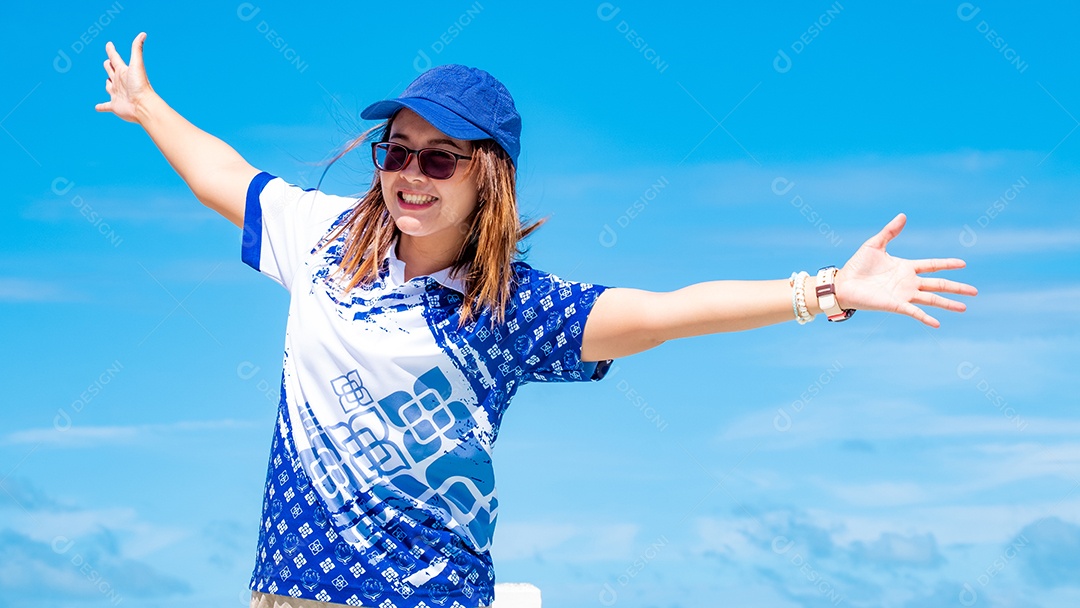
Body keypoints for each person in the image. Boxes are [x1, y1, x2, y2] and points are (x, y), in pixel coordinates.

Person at [96, 32, 977, 608]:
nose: (409, 174)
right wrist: (148, 109)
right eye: (396, 151)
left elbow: (665, 313)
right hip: (286, 591)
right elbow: (227, 178)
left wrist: (826, 291)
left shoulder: (512, 309)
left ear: (488, 179)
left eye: (438, 159)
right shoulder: (325, 240)